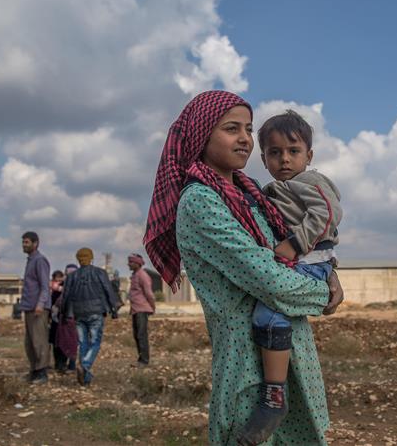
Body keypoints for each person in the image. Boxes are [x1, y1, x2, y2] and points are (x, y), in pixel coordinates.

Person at [144, 90, 343, 445]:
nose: (244, 139)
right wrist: (324, 289)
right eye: (231, 129)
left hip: (292, 348)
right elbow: (272, 281)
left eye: (249, 130)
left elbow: (299, 245)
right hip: (247, 362)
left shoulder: (254, 194)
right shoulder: (201, 200)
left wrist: (331, 271)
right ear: (202, 134)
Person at [249, 110, 345, 437]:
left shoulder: (309, 181)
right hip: (305, 261)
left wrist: (294, 243)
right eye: (275, 153)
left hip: (309, 261)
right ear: (263, 158)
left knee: (270, 316)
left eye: (293, 151)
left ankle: (273, 396)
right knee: (267, 319)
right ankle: (276, 390)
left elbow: (329, 213)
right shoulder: (277, 188)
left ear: (309, 155)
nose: (284, 160)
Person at [59, 247, 119, 386]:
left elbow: (65, 296)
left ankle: (85, 381)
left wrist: (64, 313)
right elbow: (108, 291)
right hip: (96, 312)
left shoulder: (72, 276)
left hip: (78, 313)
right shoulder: (100, 273)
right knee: (95, 342)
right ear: (91, 258)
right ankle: (85, 365)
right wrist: (114, 310)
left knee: (83, 343)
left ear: (78, 259)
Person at [20, 231, 52, 385]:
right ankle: (34, 371)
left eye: (27, 242)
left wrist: (40, 304)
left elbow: (45, 286)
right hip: (29, 307)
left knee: (39, 340)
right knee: (30, 342)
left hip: (38, 308)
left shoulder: (40, 260)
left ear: (35, 243)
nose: (24, 245)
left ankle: (42, 372)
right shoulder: (30, 261)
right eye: (23, 242)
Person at [127, 253, 155, 367]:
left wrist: (153, 307)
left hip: (142, 310)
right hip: (135, 310)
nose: (128, 264)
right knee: (136, 335)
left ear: (137, 263)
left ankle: (144, 360)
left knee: (141, 335)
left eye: (131, 262)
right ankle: (141, 359)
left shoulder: (142, 275)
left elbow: (149, 293)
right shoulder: (134, 275)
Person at [48, 270, 76, 373]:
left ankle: (64, 364)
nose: (58, 281)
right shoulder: (55, 290)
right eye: (56, 279)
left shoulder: (70, 288)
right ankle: (59, 364)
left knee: (65, 343)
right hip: (57, 321)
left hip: (66, 321)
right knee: (57, 344)